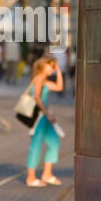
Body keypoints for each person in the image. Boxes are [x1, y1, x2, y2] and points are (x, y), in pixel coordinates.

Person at [25, 55, 65, 187]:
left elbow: (59, 87)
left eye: (54, 66)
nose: (52, 68)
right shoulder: (39, 78)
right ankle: (31, 178)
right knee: (36, 146)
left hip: (45, 118)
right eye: (51, 66)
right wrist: (48, 114)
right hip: (39, 117)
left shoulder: (44, 80)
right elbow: (36, 97)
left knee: (54, 143)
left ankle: (47, 174)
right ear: (43, 65)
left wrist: (59, 70)